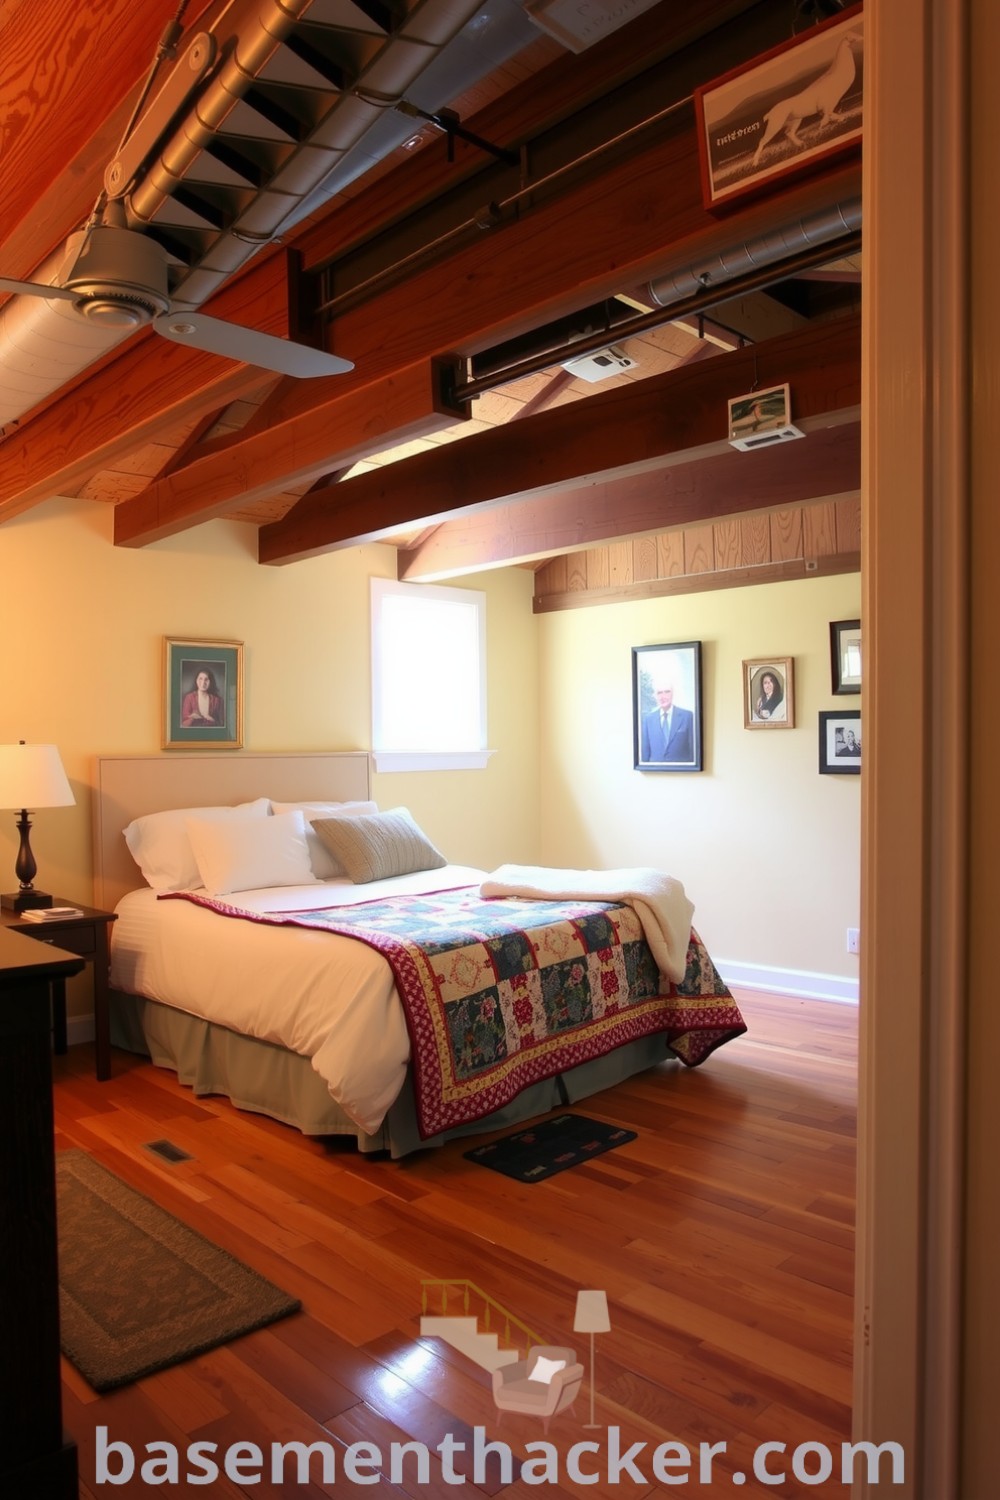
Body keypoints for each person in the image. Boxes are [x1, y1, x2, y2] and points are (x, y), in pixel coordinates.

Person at [640, 676, 695, 762]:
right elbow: (645, 754)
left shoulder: (687, 716)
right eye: (659, 693)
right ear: (655, 696)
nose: (663, 696)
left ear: (673, 693)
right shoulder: (648, 720)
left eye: (667, 692)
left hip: (682, 773)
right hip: (655, 773)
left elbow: (693, 750)